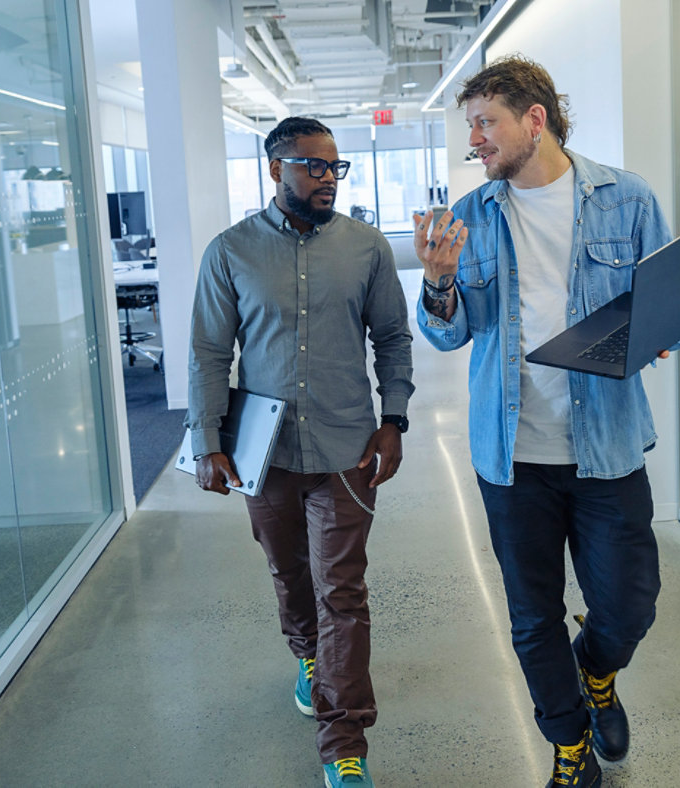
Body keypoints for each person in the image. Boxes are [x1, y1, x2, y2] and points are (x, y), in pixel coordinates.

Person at [413, 56, 680, 788]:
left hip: (605, 445)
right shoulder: (468, 218)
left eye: (485, 123)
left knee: (630, 605)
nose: (474, 139)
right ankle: (570, 746)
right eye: (469, 124)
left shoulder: (627, 201)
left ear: (533, 120)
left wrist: (666, 325)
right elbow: (448, 336)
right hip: (512, 456)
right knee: (533, 617)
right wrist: (439, 283)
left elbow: (657, 299)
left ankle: (597, 671)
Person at [187, 116, 413, 788]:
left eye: (335, 167)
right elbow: (209, 352)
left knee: (342, 590)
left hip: (346, 448)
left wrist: (394, 417)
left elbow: (394, 339)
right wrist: (207, 442)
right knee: (290, 576)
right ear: (274, 169)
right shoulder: (230, 252)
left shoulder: (367, 249)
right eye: (312, 166)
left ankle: (343, 741)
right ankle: (306, 653)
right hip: (267, 456)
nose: (327, 179)